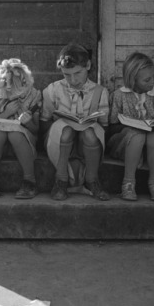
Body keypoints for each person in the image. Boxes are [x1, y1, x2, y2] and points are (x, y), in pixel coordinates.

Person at [40, 43, 110, 201]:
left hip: (88, 143)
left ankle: (92, 180)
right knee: (66, 130)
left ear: (88, 66)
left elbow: (105, 126)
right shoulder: (52, 90)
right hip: (59, 141)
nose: (73, 79)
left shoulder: (100, 92)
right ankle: (61, 180)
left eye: (78, 73)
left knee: (90, 132)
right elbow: (44, 123)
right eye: (66, 74)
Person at [107, 52, 154, 201]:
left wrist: (153, 127)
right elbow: (112, 128)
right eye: (147, 80)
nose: (152, 82)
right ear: (133, 79)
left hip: (152, 144)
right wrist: (130, 127)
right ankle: (128, 183)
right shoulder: (118, 96)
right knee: (137, 135)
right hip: (126, 143)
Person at [0, 58, 42, 199]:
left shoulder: (33, 95)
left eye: (17, 91)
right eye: (7, 90)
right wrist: (5, 114)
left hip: (24, 142)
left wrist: (28, 123)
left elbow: (36, 130)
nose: (11, 94)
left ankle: (29, 181)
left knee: (14, 134)